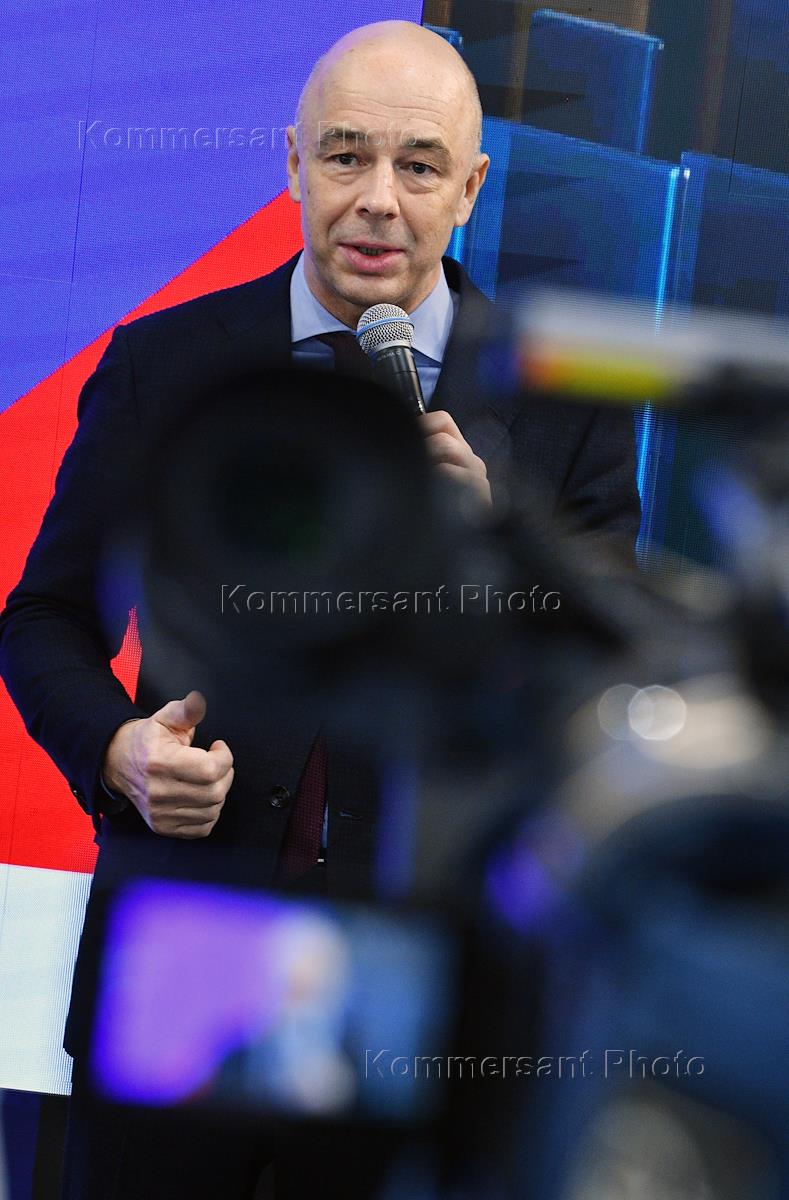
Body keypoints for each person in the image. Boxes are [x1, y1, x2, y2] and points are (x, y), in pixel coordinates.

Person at [0, 20, 641, 1198]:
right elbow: (42, 616)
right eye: (346, 155)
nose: (377, 199)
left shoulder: (563, 404)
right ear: (294, 162)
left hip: (419, 970)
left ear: (469, 190)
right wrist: (118, 749)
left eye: (418, 165)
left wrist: (498, 551)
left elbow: (604, 691)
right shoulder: (165, 364)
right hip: (187, 954)